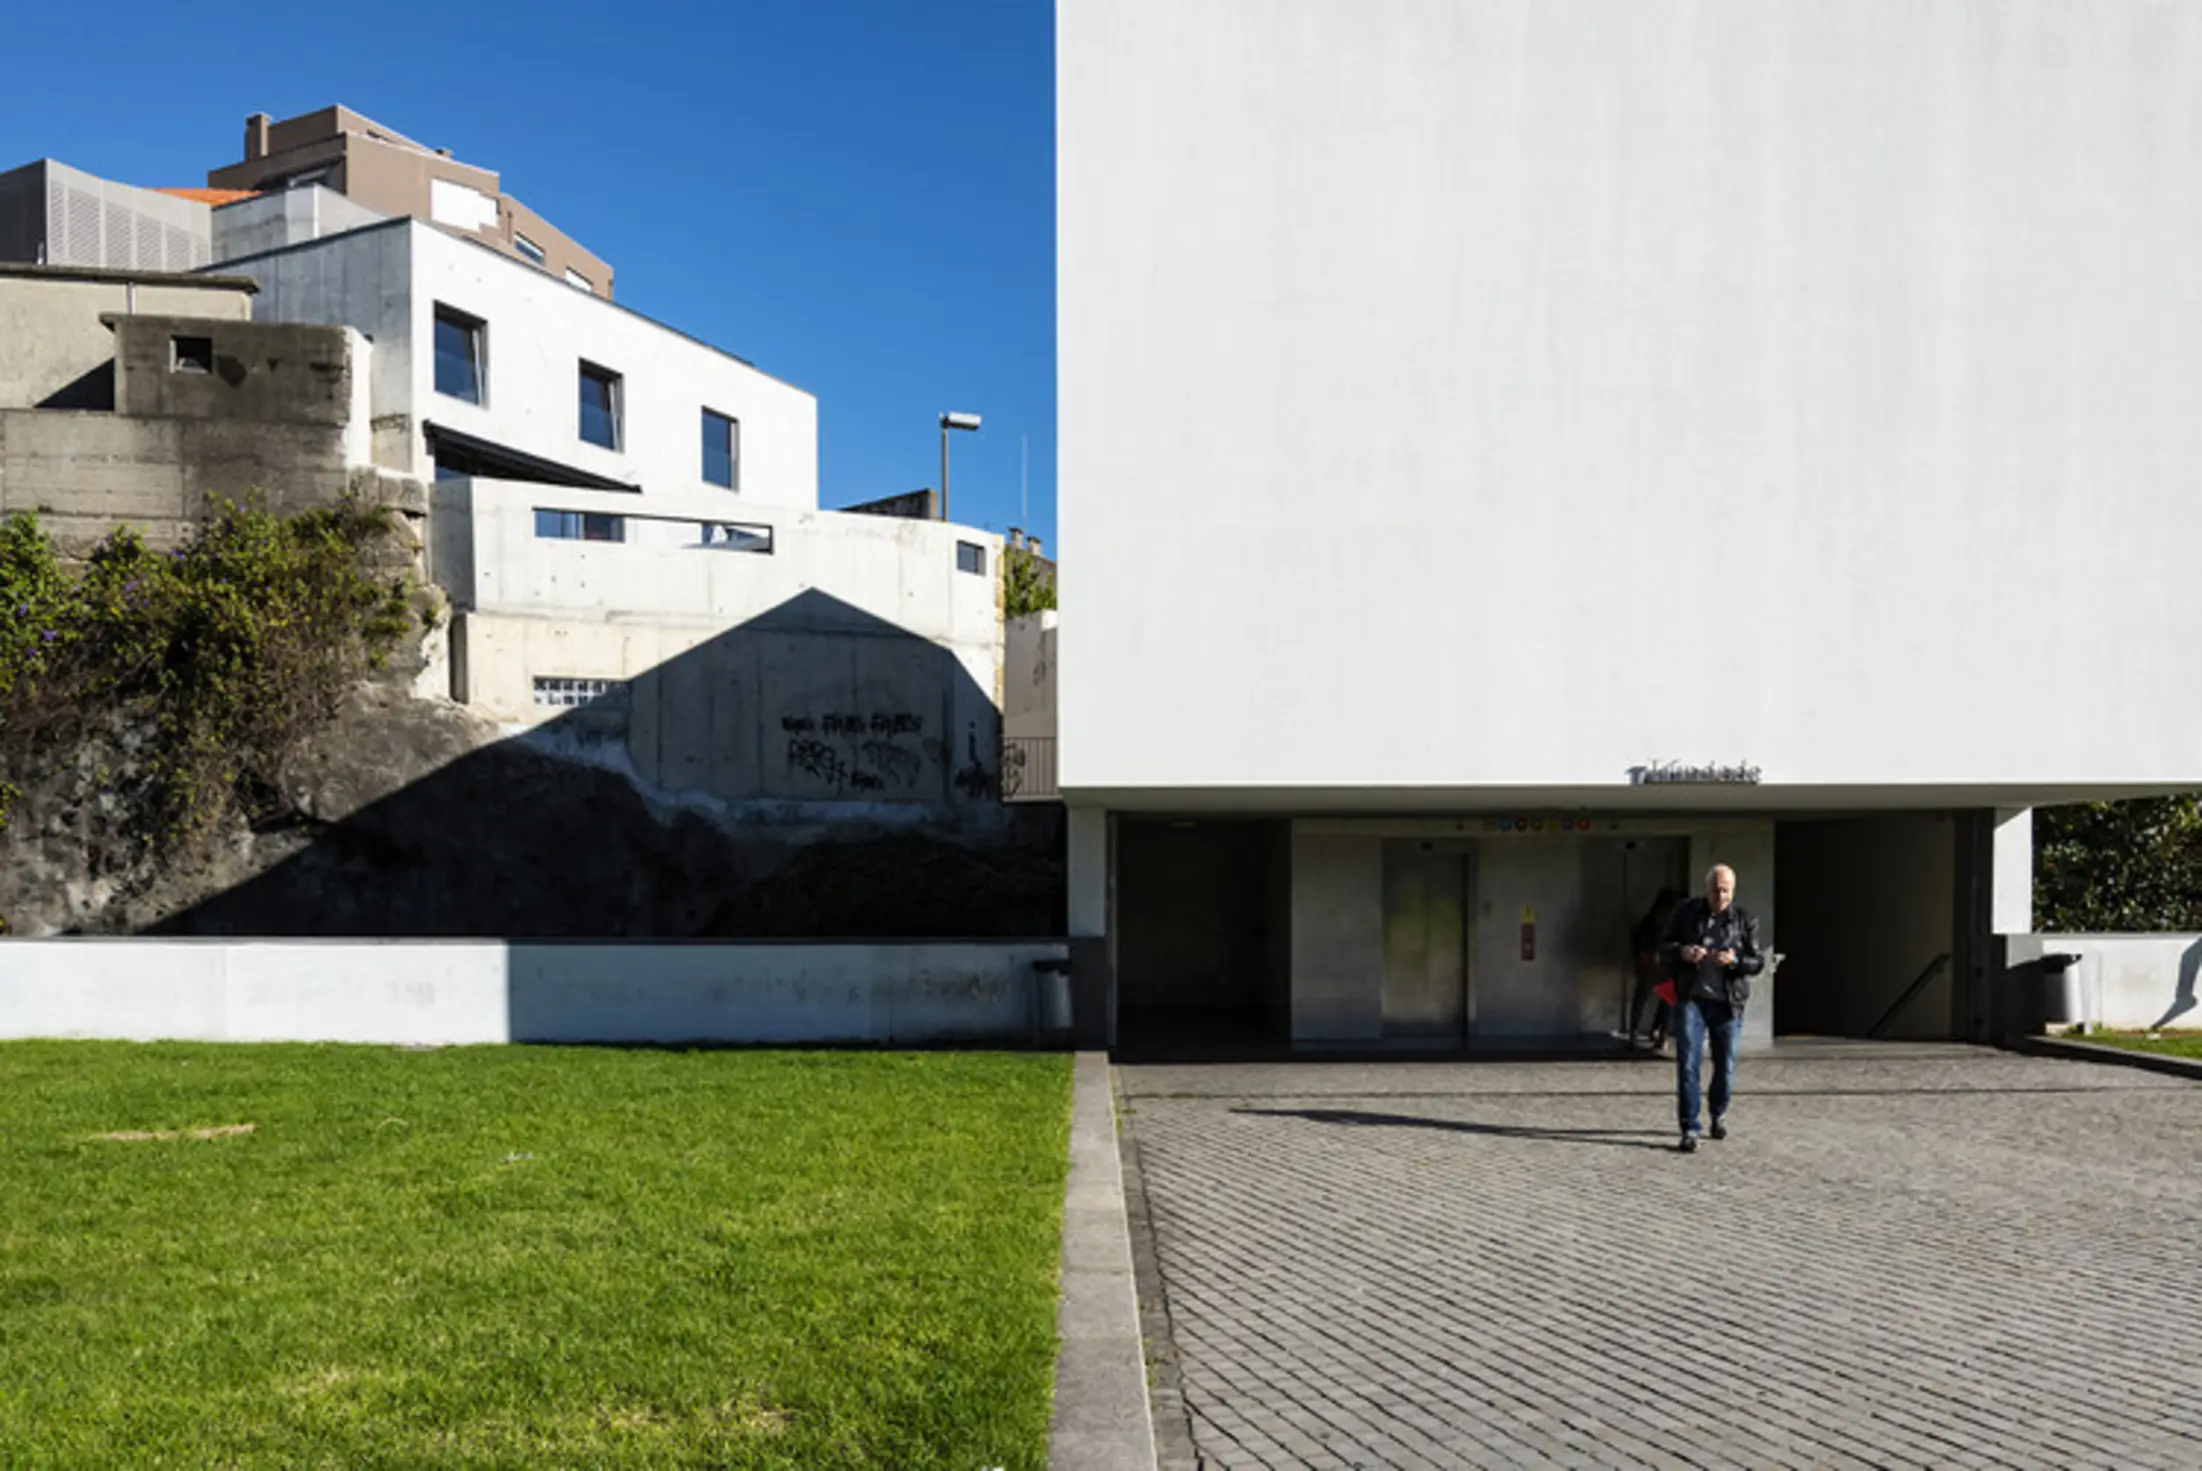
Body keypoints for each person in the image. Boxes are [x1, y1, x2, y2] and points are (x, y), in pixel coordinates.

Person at [1658, 864, 1763, 1152]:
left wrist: (1735, 961)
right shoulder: (1686, 913)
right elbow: (1663, 947)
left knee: (1725, 1065)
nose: (1720, 896)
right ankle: (1690, 1128)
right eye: (1716, 890)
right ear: (1706, 889)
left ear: (1733, 890)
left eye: (1726, 890)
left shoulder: (1744, 920)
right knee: (1688, 1064)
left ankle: (1718, 1113)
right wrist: (1683, 952)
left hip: (1728, 1003)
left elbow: (1757, 962)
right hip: (1692, 998)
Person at [1627, 887, 1685, 1049]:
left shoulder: (1652, 920)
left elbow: (1639, 945)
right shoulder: (1667, 922)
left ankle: (1639, 1033)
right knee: (1665, 1001)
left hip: (1654, 966)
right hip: (1659, 966)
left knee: (1646, 999)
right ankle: (1659, 1033)